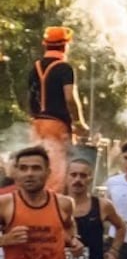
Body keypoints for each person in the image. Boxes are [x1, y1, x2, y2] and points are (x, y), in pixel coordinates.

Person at [27, 26, 89, 192]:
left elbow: (30, 97)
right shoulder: (64, 68)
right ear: (65, 45)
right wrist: (79, 122)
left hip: (37, 124)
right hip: (57, 126)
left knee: (36, 166)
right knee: (57, 173)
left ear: (45, 44)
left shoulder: (35, 68)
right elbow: (70, 97)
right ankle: (53, 204)